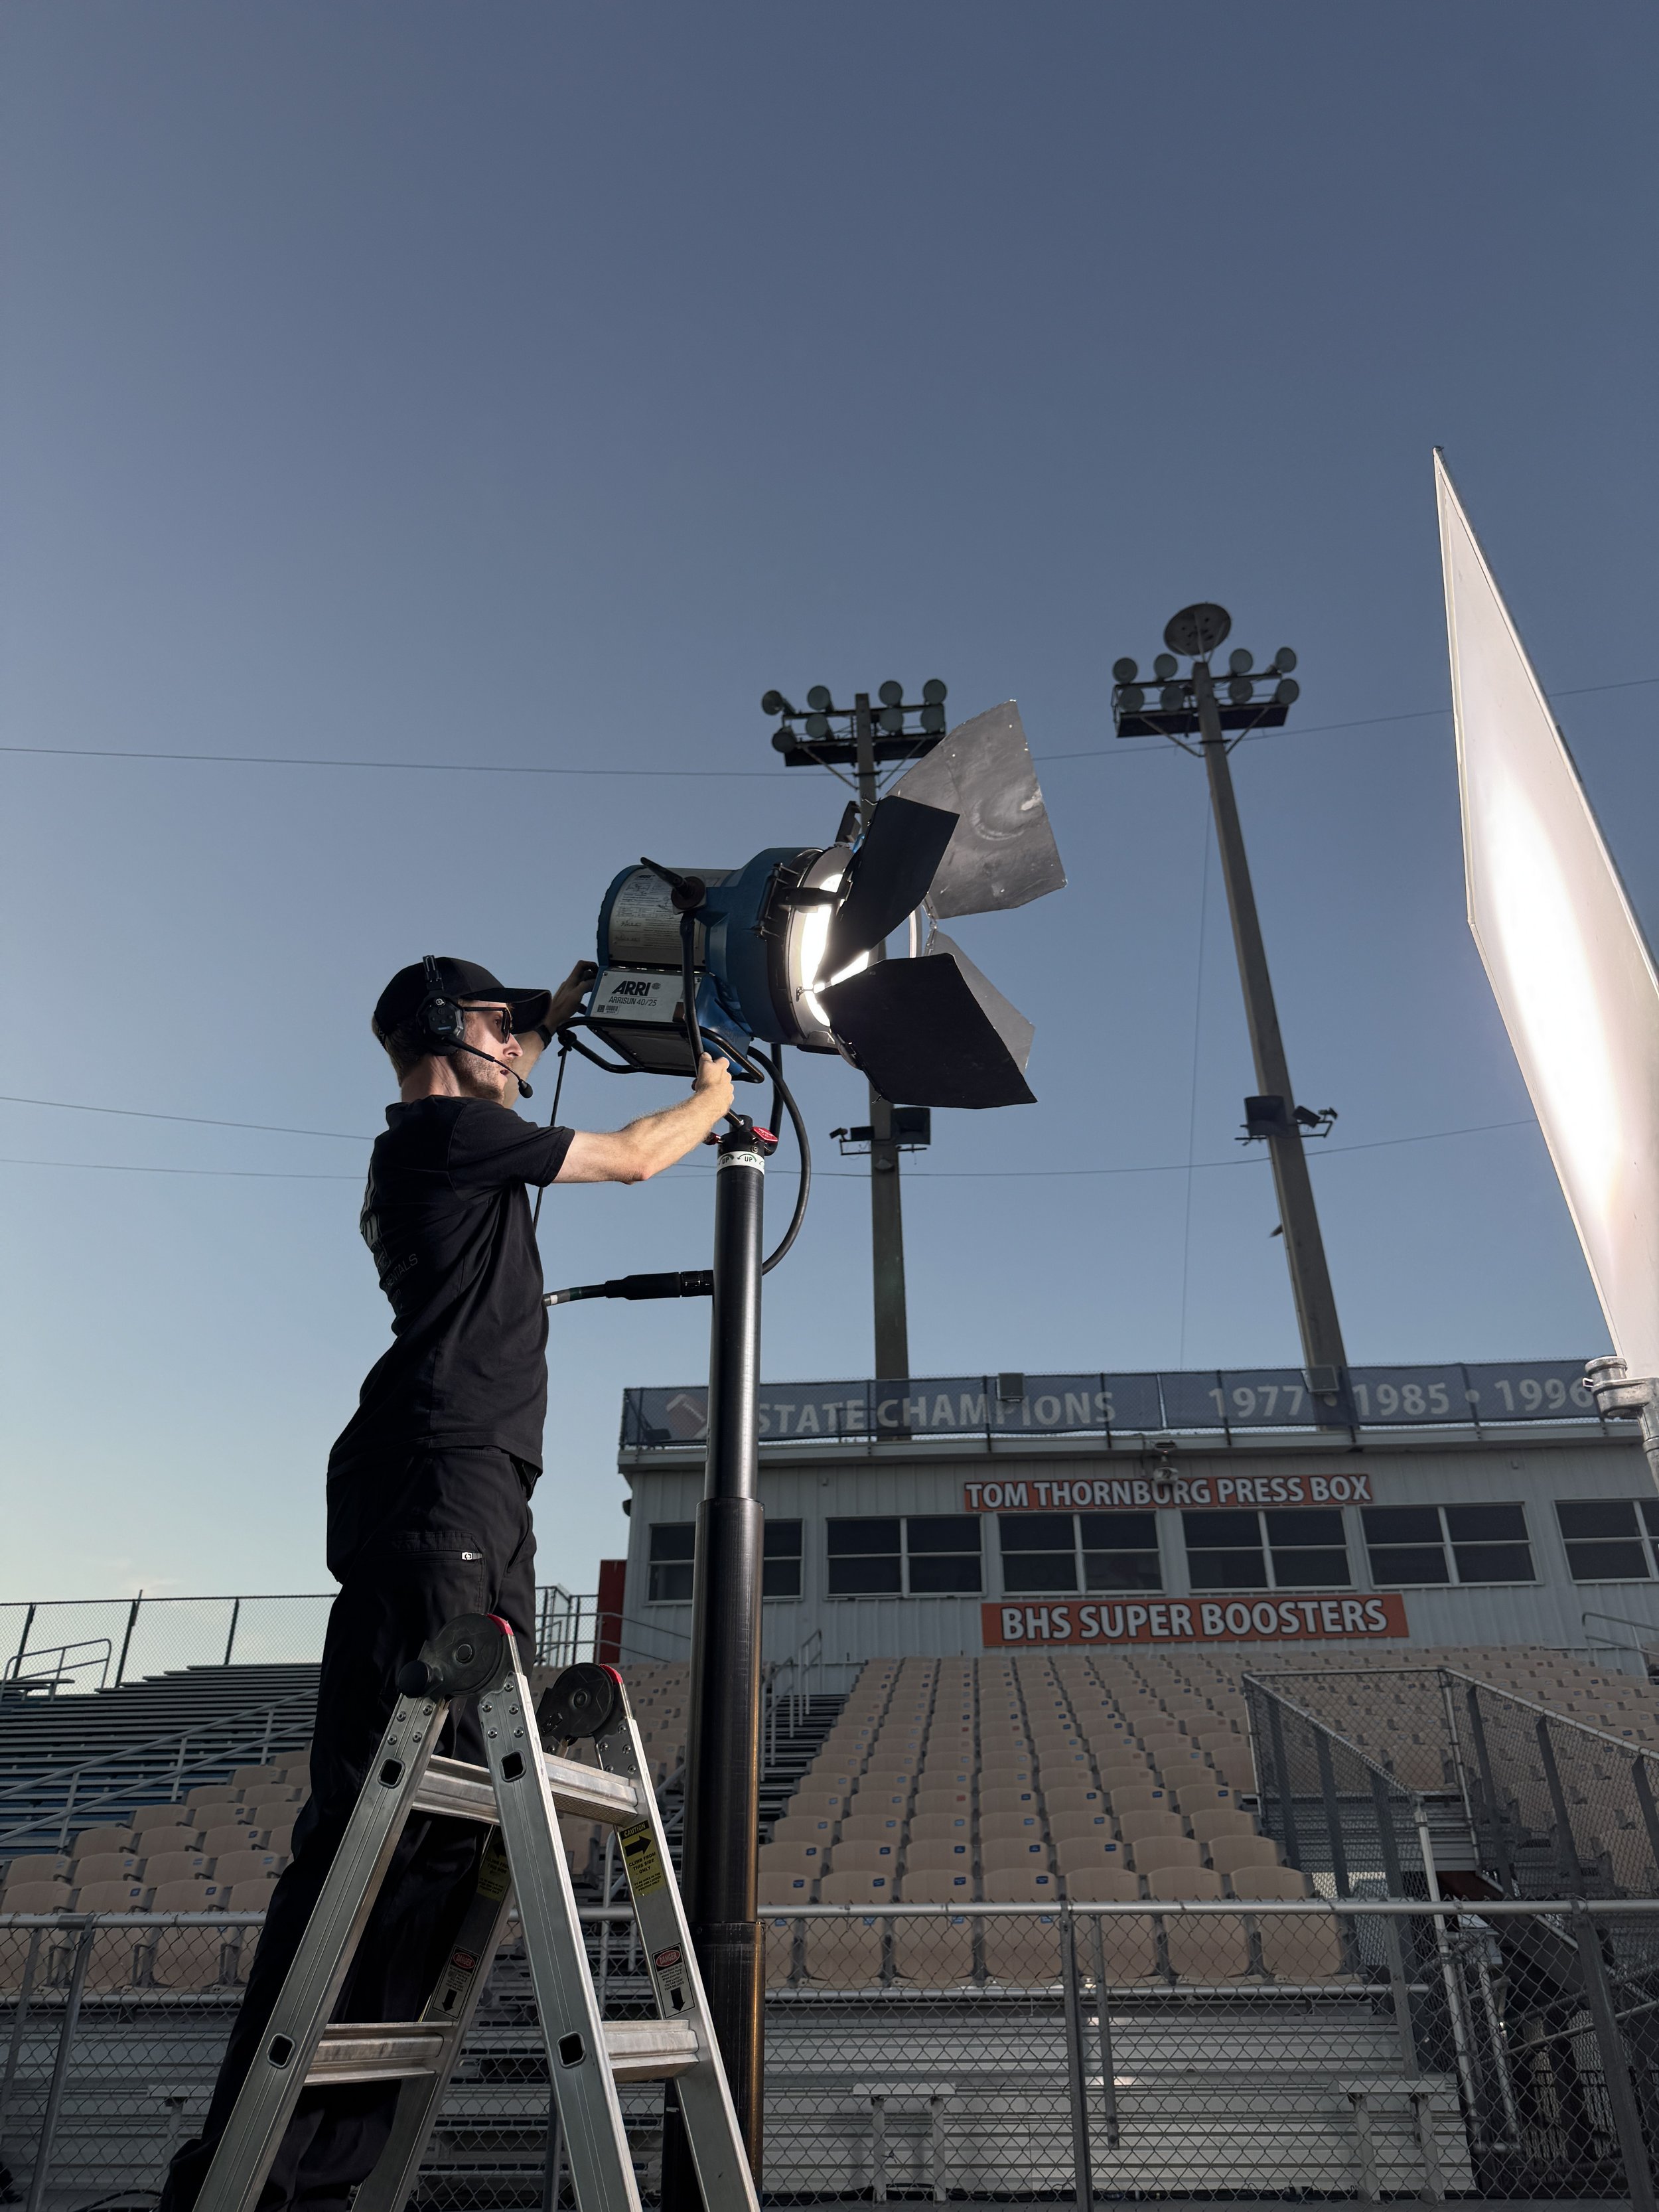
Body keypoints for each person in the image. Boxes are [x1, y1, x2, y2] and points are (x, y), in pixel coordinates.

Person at [159, 954, 735, 2211]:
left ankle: (310, 2172)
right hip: (438, 1486)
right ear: (443, 1031)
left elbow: (533, 1045)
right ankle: (255, 2180)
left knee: (428, 1830)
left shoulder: (456, 1139)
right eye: (503, 1026)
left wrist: (560, 1002)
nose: (525, 1048)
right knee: (387, 1826)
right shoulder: (448, 1133)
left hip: (468, 1488)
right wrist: (713, 1093)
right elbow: (637, 1157)